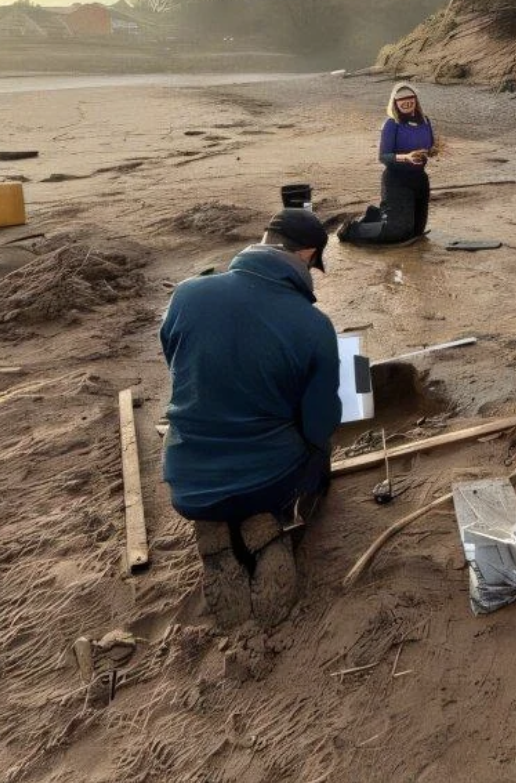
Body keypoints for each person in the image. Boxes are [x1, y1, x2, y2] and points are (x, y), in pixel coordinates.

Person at [160, 209, 339, 625]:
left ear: (263, 239)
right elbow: (320, 423)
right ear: (309, 255)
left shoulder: (187, 294)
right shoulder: (314, 325)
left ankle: (216, 530)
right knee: (315, 451)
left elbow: (179, 368)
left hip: (188, 480)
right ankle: (270, 523)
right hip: (269, 479)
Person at [338, 83, 435, 245]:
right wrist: (406, 157)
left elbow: (429, 145)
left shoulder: (425, 120)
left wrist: (434, 150)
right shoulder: (392, 124)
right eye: (401, 99)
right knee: (397, 232)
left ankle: (376, 214)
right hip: (397, 180)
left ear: (416, 100)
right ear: (395, 103)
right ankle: (351, 229)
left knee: (415, 232)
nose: (406, 102)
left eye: (410, 98)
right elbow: (384, 157)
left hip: (419, 179)